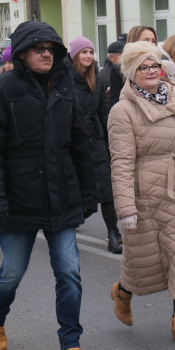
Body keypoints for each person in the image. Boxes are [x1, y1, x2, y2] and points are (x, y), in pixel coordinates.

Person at [0, 21, 96, 350]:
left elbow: (81, 145)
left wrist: (89, 193)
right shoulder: (1, 89)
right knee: (12, 271)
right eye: (38, 48)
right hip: (17, 199)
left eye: (50, 48)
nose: (46, 53)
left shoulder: (66, 87)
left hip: (61, 196)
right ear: (23, 52)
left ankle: (70, 342)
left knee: (69, 272)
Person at [108, 42, 175, 344]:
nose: (152, 71)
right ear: (131, 72)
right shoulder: (122, 111)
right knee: (144, 262)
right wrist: (126, 208)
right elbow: (122, 162)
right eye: (143, 67)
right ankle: (124, 292)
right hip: (147, 194)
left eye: (155, 65)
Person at [68, 36, 120, 254]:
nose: (88, 56)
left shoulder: (97, 79)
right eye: (84, 52)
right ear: (75, 55)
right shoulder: (65, 79)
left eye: (91, 52)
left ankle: (113, 233)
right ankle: (68, 228)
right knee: (76, 188)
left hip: (96, 138)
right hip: (73, 140)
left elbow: (102, 110)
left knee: (107, 187)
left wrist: (113, 132)